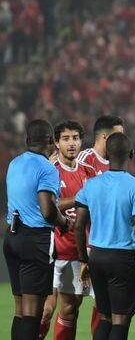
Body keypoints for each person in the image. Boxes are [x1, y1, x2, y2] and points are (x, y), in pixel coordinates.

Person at [73, 132, 135, 340]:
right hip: (122, 260)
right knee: (120, 321)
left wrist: (84, 259)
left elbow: (78, 226)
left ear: (107, 154)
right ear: (131, 154)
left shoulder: (91, 185)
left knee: (104, 317)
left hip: (97, 257)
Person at [4, 119, 70, 340]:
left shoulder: (14, 163)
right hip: (36, 239)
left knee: (20, 309)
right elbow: (47, 210)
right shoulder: (47, 168)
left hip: (12, 237)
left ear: (27, 140)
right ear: (51, 141)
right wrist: (64, 222)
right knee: (33, 312)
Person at [41, 121, 97, 340]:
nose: (71, 143)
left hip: (77, 250)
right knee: (45, 310)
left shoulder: (88, 171)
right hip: (52, 250)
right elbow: (48, 206)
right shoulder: (50, 170)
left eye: (75, 138)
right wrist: (81, 197)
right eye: (65, 139)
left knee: (70, 309)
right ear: (56, 143)